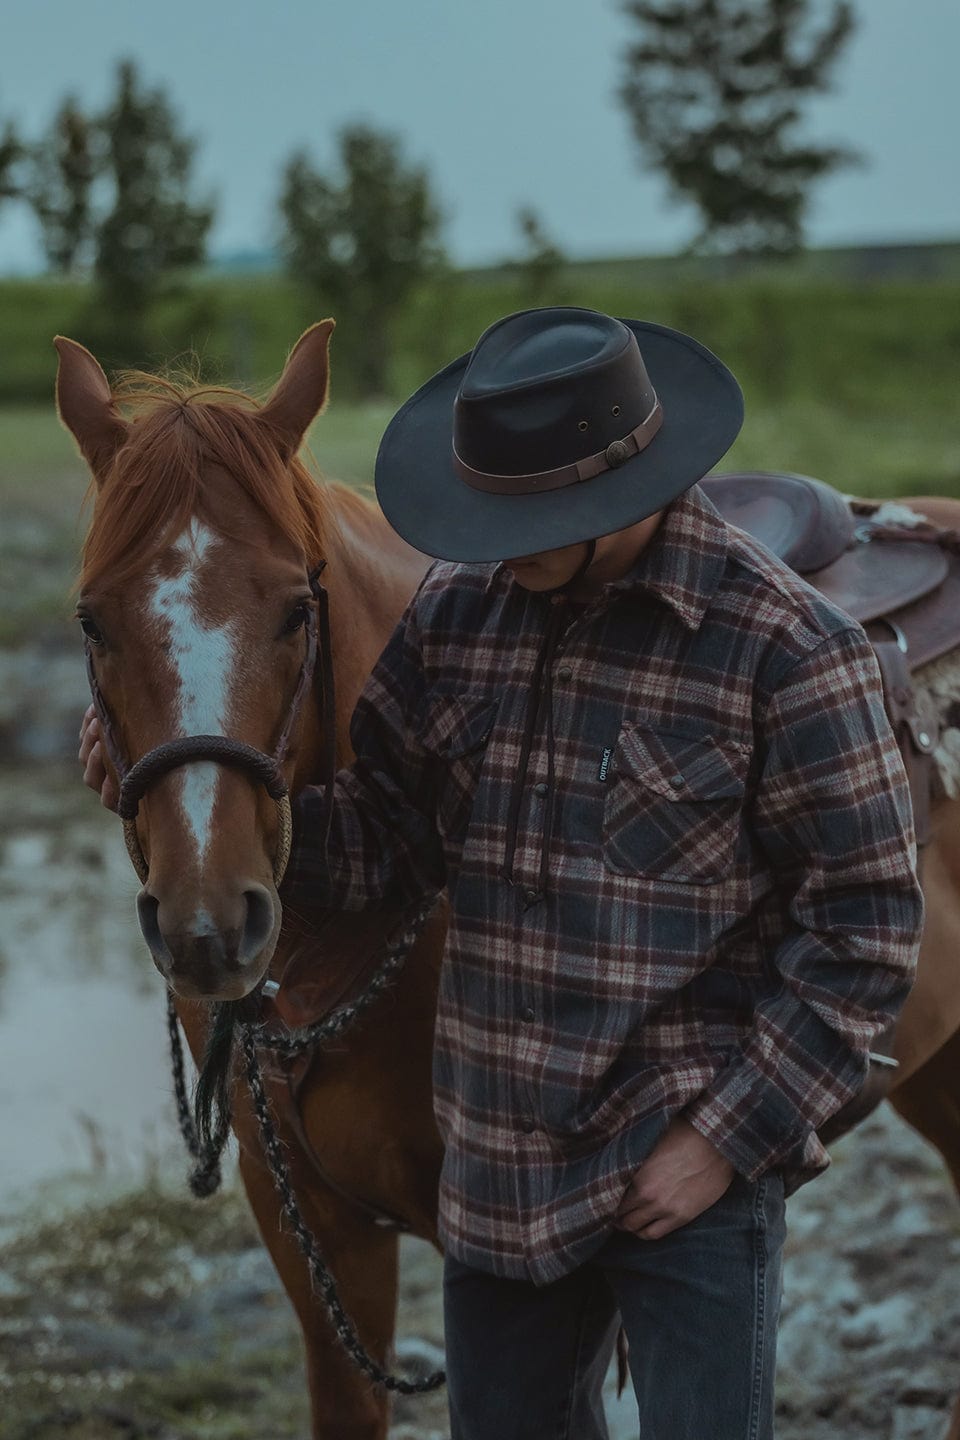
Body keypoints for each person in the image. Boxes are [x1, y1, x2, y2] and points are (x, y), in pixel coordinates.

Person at [81, 307, 923, 1439]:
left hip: (682, 1181)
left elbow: (864, 932)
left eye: (519, 519)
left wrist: (721, 1143)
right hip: (499, 1182)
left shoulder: (789, 652)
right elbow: (387, 836)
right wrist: (188, 799)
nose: (485, 543)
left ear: (614, 495)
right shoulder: (462, 616)